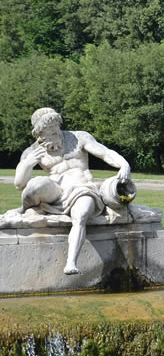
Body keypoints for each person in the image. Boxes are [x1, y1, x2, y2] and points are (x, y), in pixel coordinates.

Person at [14, 108, 131, 274]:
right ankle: (29, 208)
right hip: (56, 192)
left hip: (82, 189)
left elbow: (105, 153)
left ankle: (71, 262)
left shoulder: (78, 137)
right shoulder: (34, 150)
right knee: (36, 183)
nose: (52, 135)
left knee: (81, 215)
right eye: (47, 133)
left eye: (55, 130)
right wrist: (28, 163)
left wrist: (124, 164)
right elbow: (19, 184)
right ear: (38, 133)